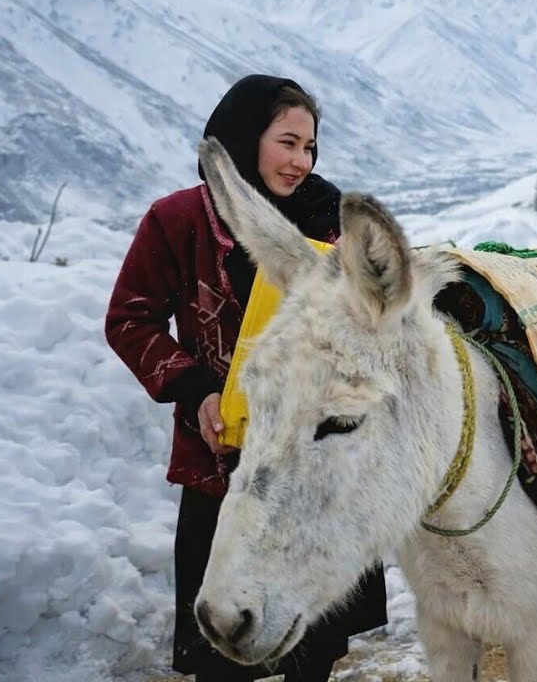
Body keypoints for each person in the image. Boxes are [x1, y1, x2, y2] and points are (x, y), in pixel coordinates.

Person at [105, 75, 388, 682]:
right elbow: (130, 319)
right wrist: (195, 388)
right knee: (224, 638)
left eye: (310, 148)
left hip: (317, 466)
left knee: (313, 644)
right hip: (222, 455)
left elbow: (371, 323)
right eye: (287, 142)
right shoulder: (178, 220)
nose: (300, 161)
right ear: (241, 138)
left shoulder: (323, 220)